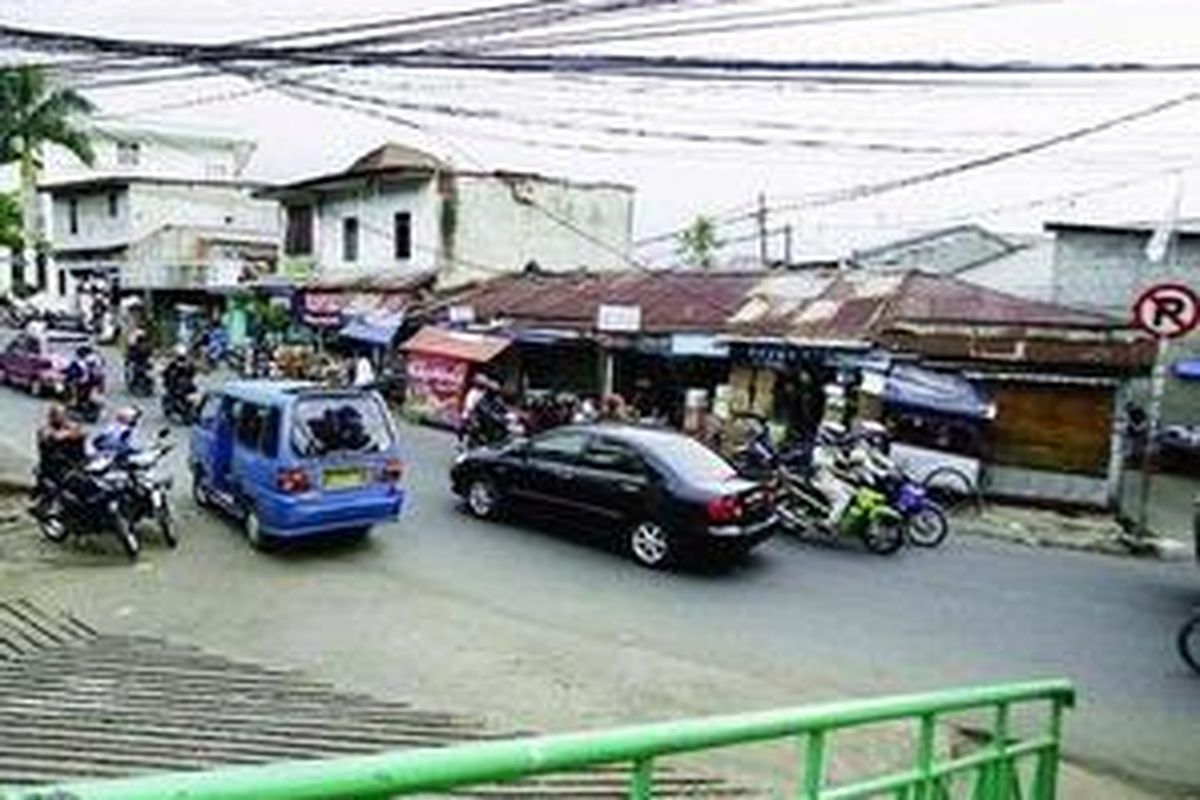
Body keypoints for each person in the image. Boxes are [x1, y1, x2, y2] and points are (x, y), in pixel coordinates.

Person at [33, 403, 87, 512]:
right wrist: (68, 433)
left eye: (64, 415)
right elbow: (55, 437)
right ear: (52, 416)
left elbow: (81, 433)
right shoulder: (45, 429)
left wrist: (74, 431)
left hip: (72, 462)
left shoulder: (67, 427)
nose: (63, 417)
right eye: (60, 415)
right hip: (54, 464)